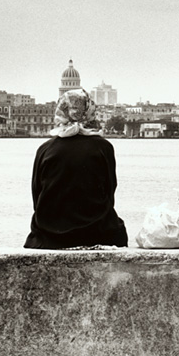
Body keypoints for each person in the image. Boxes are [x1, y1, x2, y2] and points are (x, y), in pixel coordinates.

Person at [24, 89, 128, 249]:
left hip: (50, 236)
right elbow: (109, 191)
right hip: (96, 233)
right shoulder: (103, 147)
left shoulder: (45, 149)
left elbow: (37, 196)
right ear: (90, 111)